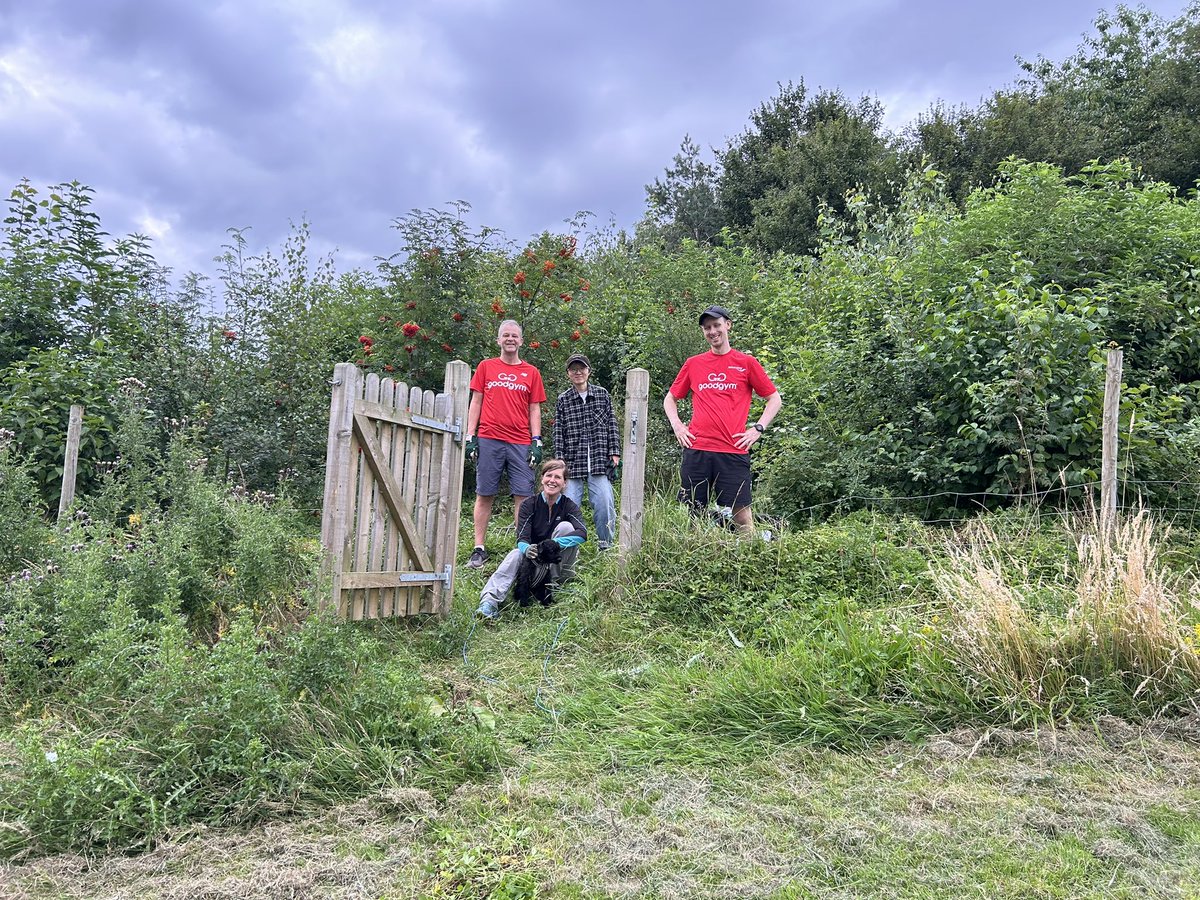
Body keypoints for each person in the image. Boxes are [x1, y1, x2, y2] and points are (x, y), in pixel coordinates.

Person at [663, 305, 783, 534]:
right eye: (707, 328)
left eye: (716, 325)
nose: (712, 331)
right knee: (694, 513)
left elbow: (774, 399)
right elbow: (670, 399)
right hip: (697, 449)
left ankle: (749, 558)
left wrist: (757, 429)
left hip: (733, 450)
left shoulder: (746, 363)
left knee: (742, 514)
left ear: (728, 325)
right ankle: (697, 559)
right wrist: (678, 426)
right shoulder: (694, 363)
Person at [465, 320, 547, 568]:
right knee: (484, 493)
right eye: (505, 335)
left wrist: (537, 440)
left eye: (515, 336)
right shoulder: (486, 367)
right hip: (490, 438)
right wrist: (471, 436)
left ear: (521, 341)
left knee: (523, 495)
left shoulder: (531, 372)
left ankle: (522, 547)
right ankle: (479, 548)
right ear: (498, 340)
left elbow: (535, 408)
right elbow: (476, 401)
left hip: (520, 440)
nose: (510, 339)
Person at [475, 459, 587, 622]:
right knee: (515, 553)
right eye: (549, 475)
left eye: (558, 477)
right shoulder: (530, 504)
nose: (552, 481)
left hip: (556, 563)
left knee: (566, 528)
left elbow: (582, 533)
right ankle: (489, 601)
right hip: (532, 562)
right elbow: (522, 537)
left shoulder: (568, 505)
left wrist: (555, 544)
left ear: (564, 483)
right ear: (542, 479)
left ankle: (553, 586)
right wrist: (527, 549)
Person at [552, 353, 621, 550]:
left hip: (599, 461)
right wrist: (560, 461)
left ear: (588, 371)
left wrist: (614, 452)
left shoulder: (602, 394)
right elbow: (559, 431)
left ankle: (605, 546)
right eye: (573, 369)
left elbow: (612, 424)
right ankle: (567, 549)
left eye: (581, 368)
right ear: (568, 374)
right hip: (572, 463)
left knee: (604, 504)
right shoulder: (564, 399)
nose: (578, 372)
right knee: (567, 505)